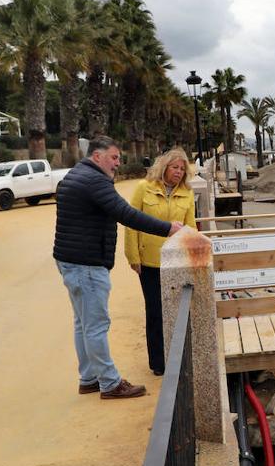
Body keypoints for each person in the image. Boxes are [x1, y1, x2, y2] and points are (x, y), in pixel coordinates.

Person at [53, 136, 206, 399]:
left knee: (83, 323)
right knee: (95, 325)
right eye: (114, 157)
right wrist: (167, 228)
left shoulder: (76, 174)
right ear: (98, 156)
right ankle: (110, 384)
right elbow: (125, 214)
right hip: (87, 264)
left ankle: (89, 377)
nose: (118, 163)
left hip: (72, 260)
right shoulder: (95, 180)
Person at [124, 148, 197, 375]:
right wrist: (133, 256)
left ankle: (177, 357)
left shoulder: (187, 193)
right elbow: (130, 222)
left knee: (177, 310)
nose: (178, 172)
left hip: (176, 261)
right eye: (175, 167)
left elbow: (191, 227)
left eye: (182, 169)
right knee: (155, 311)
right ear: (164, 167)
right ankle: (158, 362)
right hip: (150, 262)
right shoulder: (143, 188)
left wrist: (193, 256)